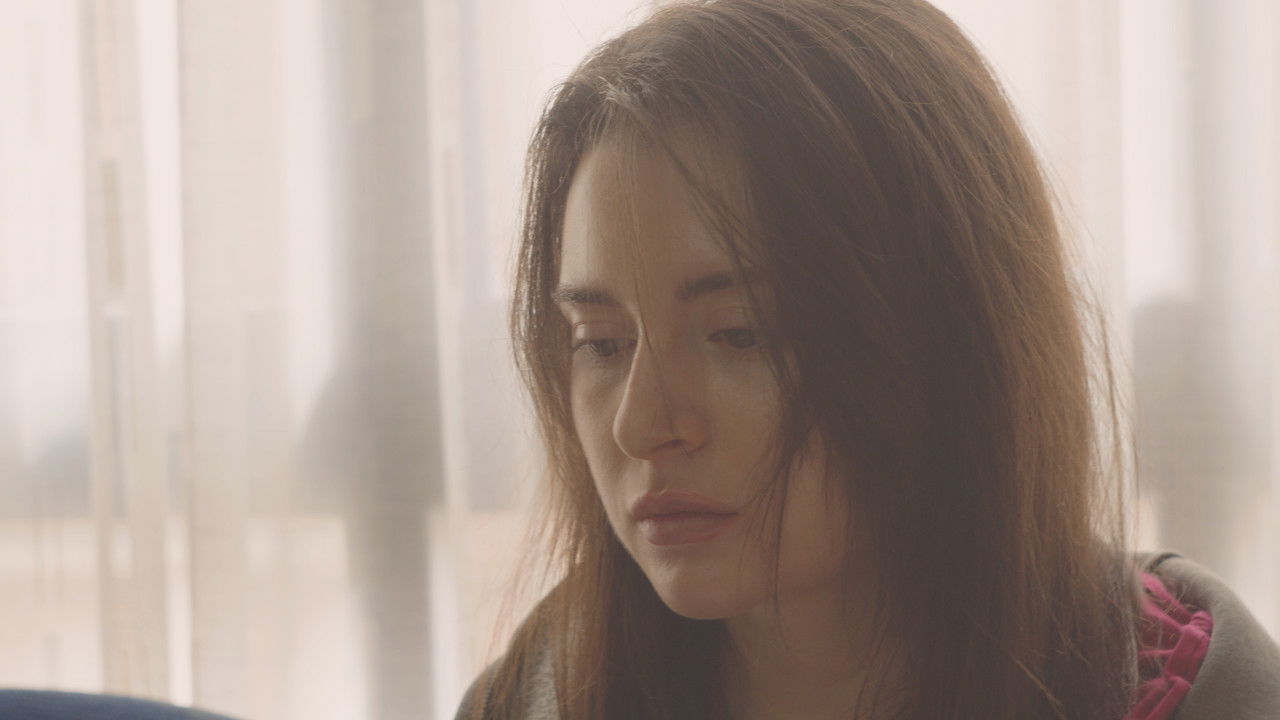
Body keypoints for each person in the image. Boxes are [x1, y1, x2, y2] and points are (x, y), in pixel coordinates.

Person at [456, 0, 1280, 718]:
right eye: (601, 343)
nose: (642, 424)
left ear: (943, 334)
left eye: (739, 333)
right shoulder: (537, 696)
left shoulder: (1193, 697)